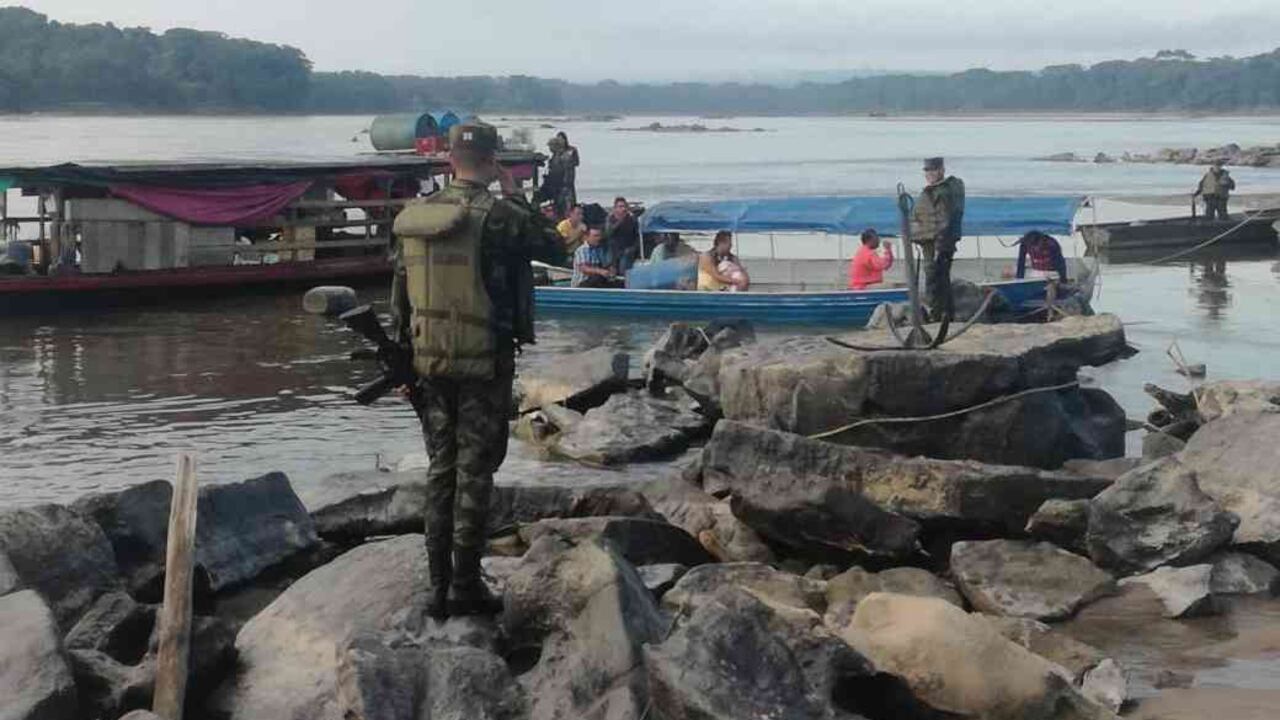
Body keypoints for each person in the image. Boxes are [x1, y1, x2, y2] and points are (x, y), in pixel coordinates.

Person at [390, 121, 566, 620]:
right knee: (475, 470)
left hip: (428, 362)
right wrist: (517, 192)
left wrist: (404, 365)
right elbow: (557, 248)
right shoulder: (502, 215)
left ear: (448, 160)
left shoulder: (412, 216)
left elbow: (399, 299)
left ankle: (436, 586)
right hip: (485, 361)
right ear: (492, 162)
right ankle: (465, 585)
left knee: (440, 469)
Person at [909, 156, 965, 319]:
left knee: (934, 280)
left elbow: (944, 220)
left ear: (941, 170)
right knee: (940, 279)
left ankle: (937, 315)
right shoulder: (941, 190)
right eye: (927, 170)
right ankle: (945, 314)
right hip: (936, 243)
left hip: (937, 244)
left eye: (932, 170)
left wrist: (939, 248)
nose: (929, 174)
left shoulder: (942, 191)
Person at [604, 196, 640, 274]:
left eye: (624, 206)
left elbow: (637, 235)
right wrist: (620, 221)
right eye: (620, 207)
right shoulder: (610, 218)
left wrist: (633, 248)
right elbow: (608, 233)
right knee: (610, 263)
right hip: (613, 248)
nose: (623, 209)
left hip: (627, 248)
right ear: (615, 208)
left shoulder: (632, 219)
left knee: (623, 268)